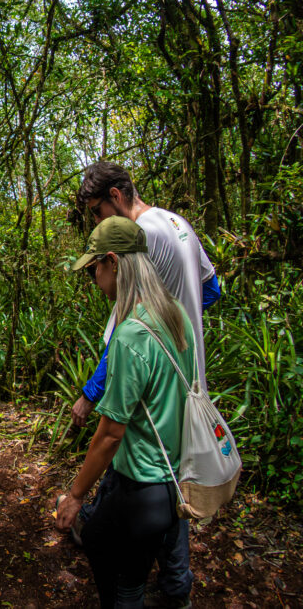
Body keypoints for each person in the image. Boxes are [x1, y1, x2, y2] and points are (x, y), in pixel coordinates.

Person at [73, 161, 220, 605]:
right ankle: (176, 588)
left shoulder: (143, 236)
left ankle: (154, 587)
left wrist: (92, 391)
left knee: (145, 483)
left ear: (117, 196)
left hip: (151, 391)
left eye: (98, 213)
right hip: (184, 380)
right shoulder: (178, 223)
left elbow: (126, 335)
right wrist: (177, 332)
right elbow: (211, 290)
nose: (100, 222)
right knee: (174, 485)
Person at [56, 215, 194, 607]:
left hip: (142, 485)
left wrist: (75, 495)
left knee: (114, 570)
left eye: (94, 267)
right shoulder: (175, 314)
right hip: (173, 479)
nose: (94, 276)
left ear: (113, 262)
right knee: (124, 565)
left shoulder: (131, 333)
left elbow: (110, 433)